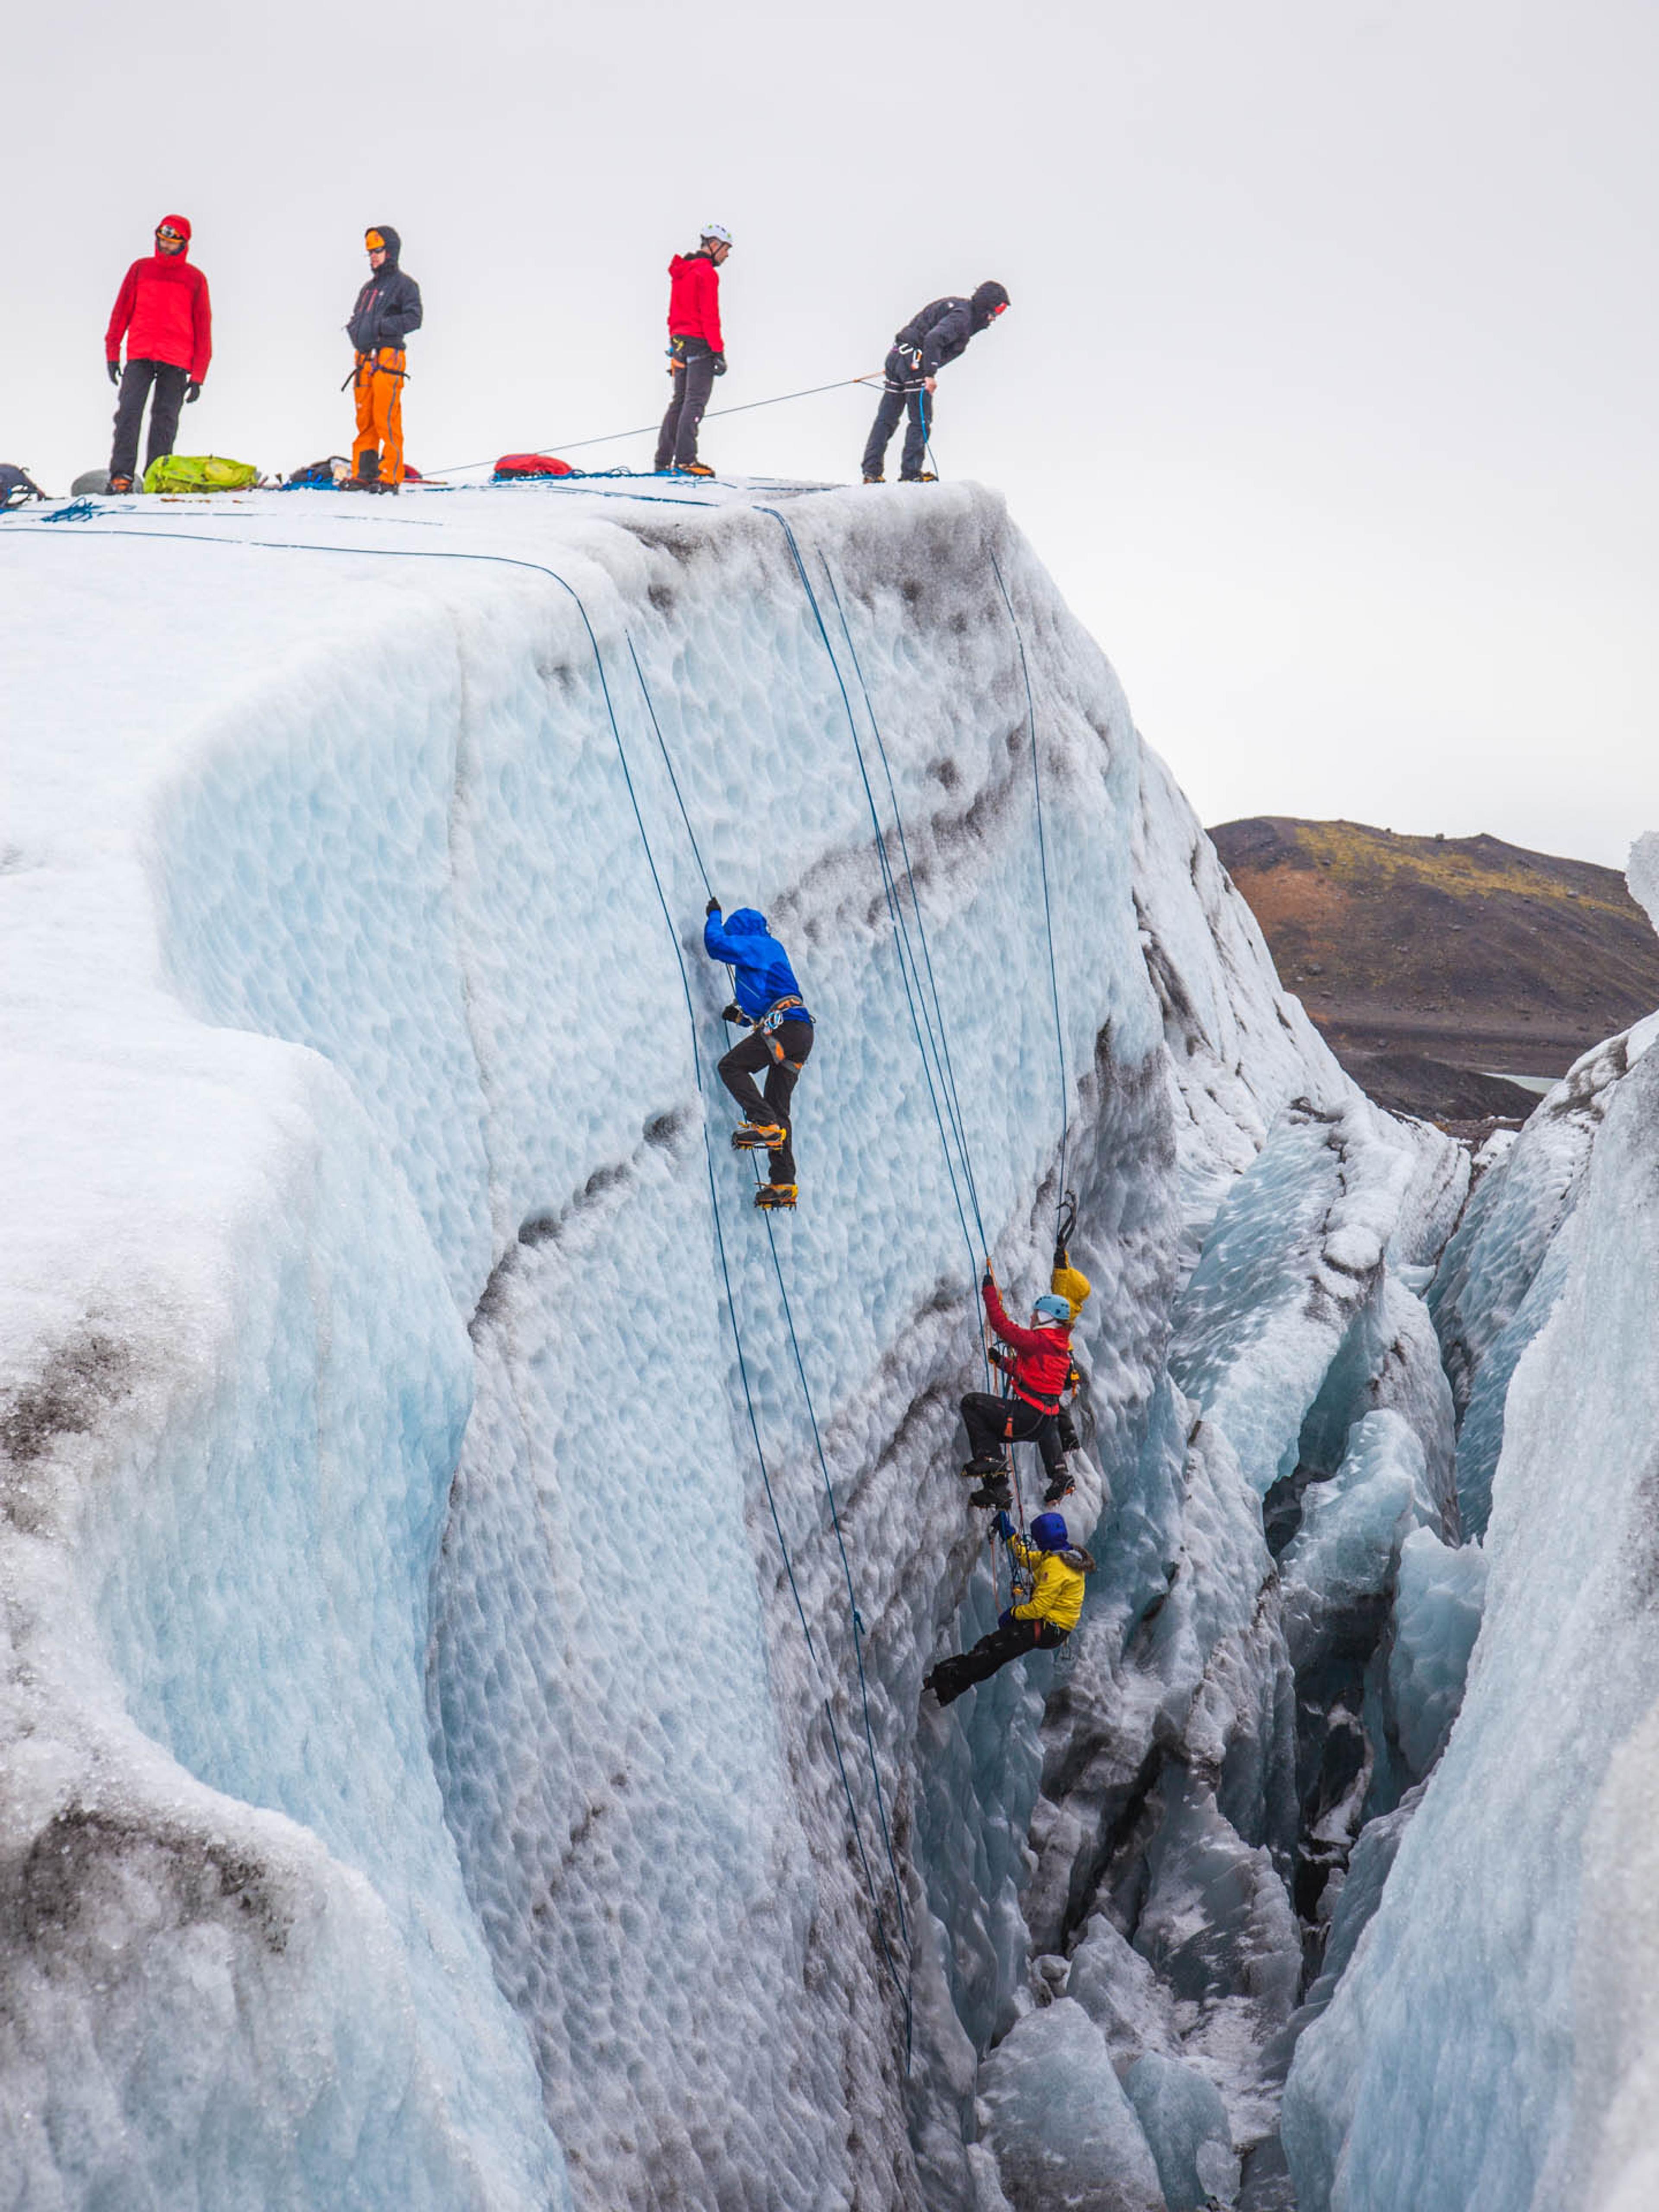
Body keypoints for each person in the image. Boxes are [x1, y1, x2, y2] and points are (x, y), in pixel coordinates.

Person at [703, 896, 813, 1210]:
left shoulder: (758, 945)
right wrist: (741, 1018)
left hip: (787, 1029)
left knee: (731, 1067)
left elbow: (716, 946)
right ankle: (784, 1183)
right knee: (780, 1108)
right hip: (798, 1033)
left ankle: (763, 1124)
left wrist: (714, 916)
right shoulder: (767, 952)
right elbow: (768, 1004)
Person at [924, 1510, 1092, 1706]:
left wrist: (1013, 1614)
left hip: (1048, 1627)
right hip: (1054, 1629)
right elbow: (1026, 1558)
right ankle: (949, 1686)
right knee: (996, 1653)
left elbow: (1038, 1609)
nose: (1037, 1543)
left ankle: (945, 1679)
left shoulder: (1056, 1567)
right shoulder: (1060, 1557)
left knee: (992, 1649)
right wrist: (1010, 1534)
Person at [104, 215, 212, 495]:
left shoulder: (195, 279)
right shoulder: (140, 269)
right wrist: (113, 353)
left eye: (171, 242)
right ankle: (122, 477)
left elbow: (204, 329)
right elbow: (120, 314)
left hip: (176, 361)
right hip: (140, 355)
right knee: (128, 413)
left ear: (183, 244)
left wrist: (199, 375)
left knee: (165, 420)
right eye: (162, 240)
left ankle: (156, 476)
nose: (165, 246)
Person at [860, 281, 1008, 485]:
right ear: (986, 305)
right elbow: (933, 339)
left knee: (887, 418)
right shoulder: (962, 318)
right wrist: (929, 374)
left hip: (899, 356)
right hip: (914, 363)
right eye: (997, 310)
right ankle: (911, 476)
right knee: (920, 420)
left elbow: (919, 329)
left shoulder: (958, 307)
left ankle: (871, 472)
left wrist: (899, 364)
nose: (996, 318)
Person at [960, 1262, 1074, 1508]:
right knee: (989, 1426)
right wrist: (1002, 1363)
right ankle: (997, 1491)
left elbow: (1001, 1326)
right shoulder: (1060, 1350)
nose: (1032, 1318)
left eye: (1036, 1314)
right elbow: (1034, 1379)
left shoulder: (1037, 1341)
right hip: (1042, 1424)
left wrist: (989, 1292)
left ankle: (992, 1461)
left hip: (1026, 1416)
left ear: (1046, 1317)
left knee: (971, 1404)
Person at [347, 227, 423, 492]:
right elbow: (358, 316)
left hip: (388, 358)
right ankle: (363, 474)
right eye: (370, 253)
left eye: (378, 251)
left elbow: (415, 319)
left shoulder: (405, 286)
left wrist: (381, 327)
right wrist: (355, 329)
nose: (373, 257)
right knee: (364, 419)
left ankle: (390, 475)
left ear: (391, 251)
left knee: (386, 417)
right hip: (364, 360)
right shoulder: (368, 289)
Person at [655, 225, 731, 480]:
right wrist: (718, 351)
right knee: (694, 400)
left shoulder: (682, 272)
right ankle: (686, 461)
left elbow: (673, 313)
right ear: (714, 244)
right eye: (726, 249)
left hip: (679, 342)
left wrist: (674, 346)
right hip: (700, 343)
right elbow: (710, 315)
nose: (727, 255)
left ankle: (663, 461)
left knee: (679, 400)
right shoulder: (706, 273)